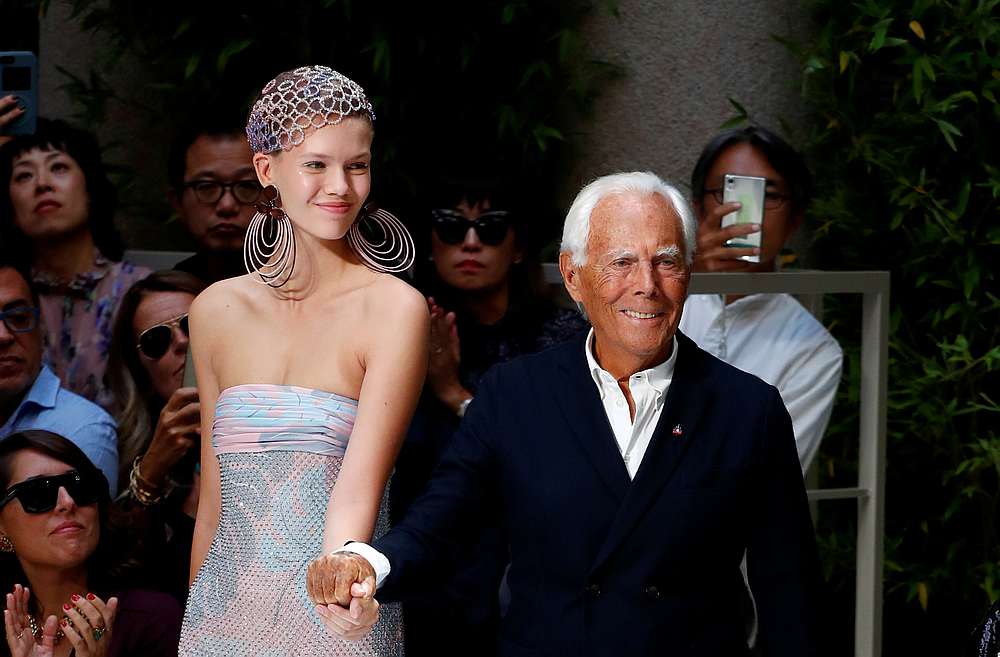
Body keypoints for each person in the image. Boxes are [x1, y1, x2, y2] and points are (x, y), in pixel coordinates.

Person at [311, 171, 821, 656]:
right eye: (621, 262)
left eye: (666, 261)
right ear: (574, 276)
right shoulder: (516, 394)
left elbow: (790, 593)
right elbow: (443, 520)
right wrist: (368, 563)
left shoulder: (747, 409)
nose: (646, 284)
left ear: (687, 274)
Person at [178, 65, 427, 657]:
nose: (339, 186)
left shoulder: (394, 310)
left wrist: (340, 598)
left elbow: (359, 494)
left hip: (338, 612)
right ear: (268, 170)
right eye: (315, 164)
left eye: (357, 165)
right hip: (222, 618)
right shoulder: (215, 310)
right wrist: (194, 621)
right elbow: (213, 500)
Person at [393, 173, 586, 655]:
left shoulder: (562, 337)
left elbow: (550, 457)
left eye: (493, 228)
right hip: (423, 564)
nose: (472, 242)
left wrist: (451, 390)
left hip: (526, 566)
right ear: (430, 243)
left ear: (518, 247)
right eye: (452, 228)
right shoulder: (398, 327)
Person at [680, 126, 843, 472]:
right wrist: (686, 280)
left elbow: (767, 479)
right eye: (727, 191)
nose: (743, 210)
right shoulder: (650, 303)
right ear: (697, 208)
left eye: (767, 195)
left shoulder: (813, 349)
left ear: (794, 220)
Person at [0, 119, 150, 411]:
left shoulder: (139, 292)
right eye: (24, 176)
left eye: (58, 167)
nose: (43, 184)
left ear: (90, 190)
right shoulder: (9, 300)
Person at [0, 429, 182, 657]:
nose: (67, 502)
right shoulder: (8, 629)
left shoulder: (152, 619)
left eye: (80, 486)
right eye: (39, 493)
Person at [107, 270, 205, 602]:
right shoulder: (129, 451)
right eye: (156, 341)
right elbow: (119, 570)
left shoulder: (279, 418)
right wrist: (152, 470)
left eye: (195, 325)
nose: (181, 341)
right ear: (142, 372)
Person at [0, 250, 118, 495]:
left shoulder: (81, 429)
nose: (3, 336)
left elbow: (85, 530)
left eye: (18, 317)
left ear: (41, 327)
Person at [167, 115, 261, 285]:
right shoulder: (174, 298)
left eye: (247, 186)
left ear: (276, 198)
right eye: (207, 187)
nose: (227, 205)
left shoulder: (308, 291)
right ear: (177, 202)